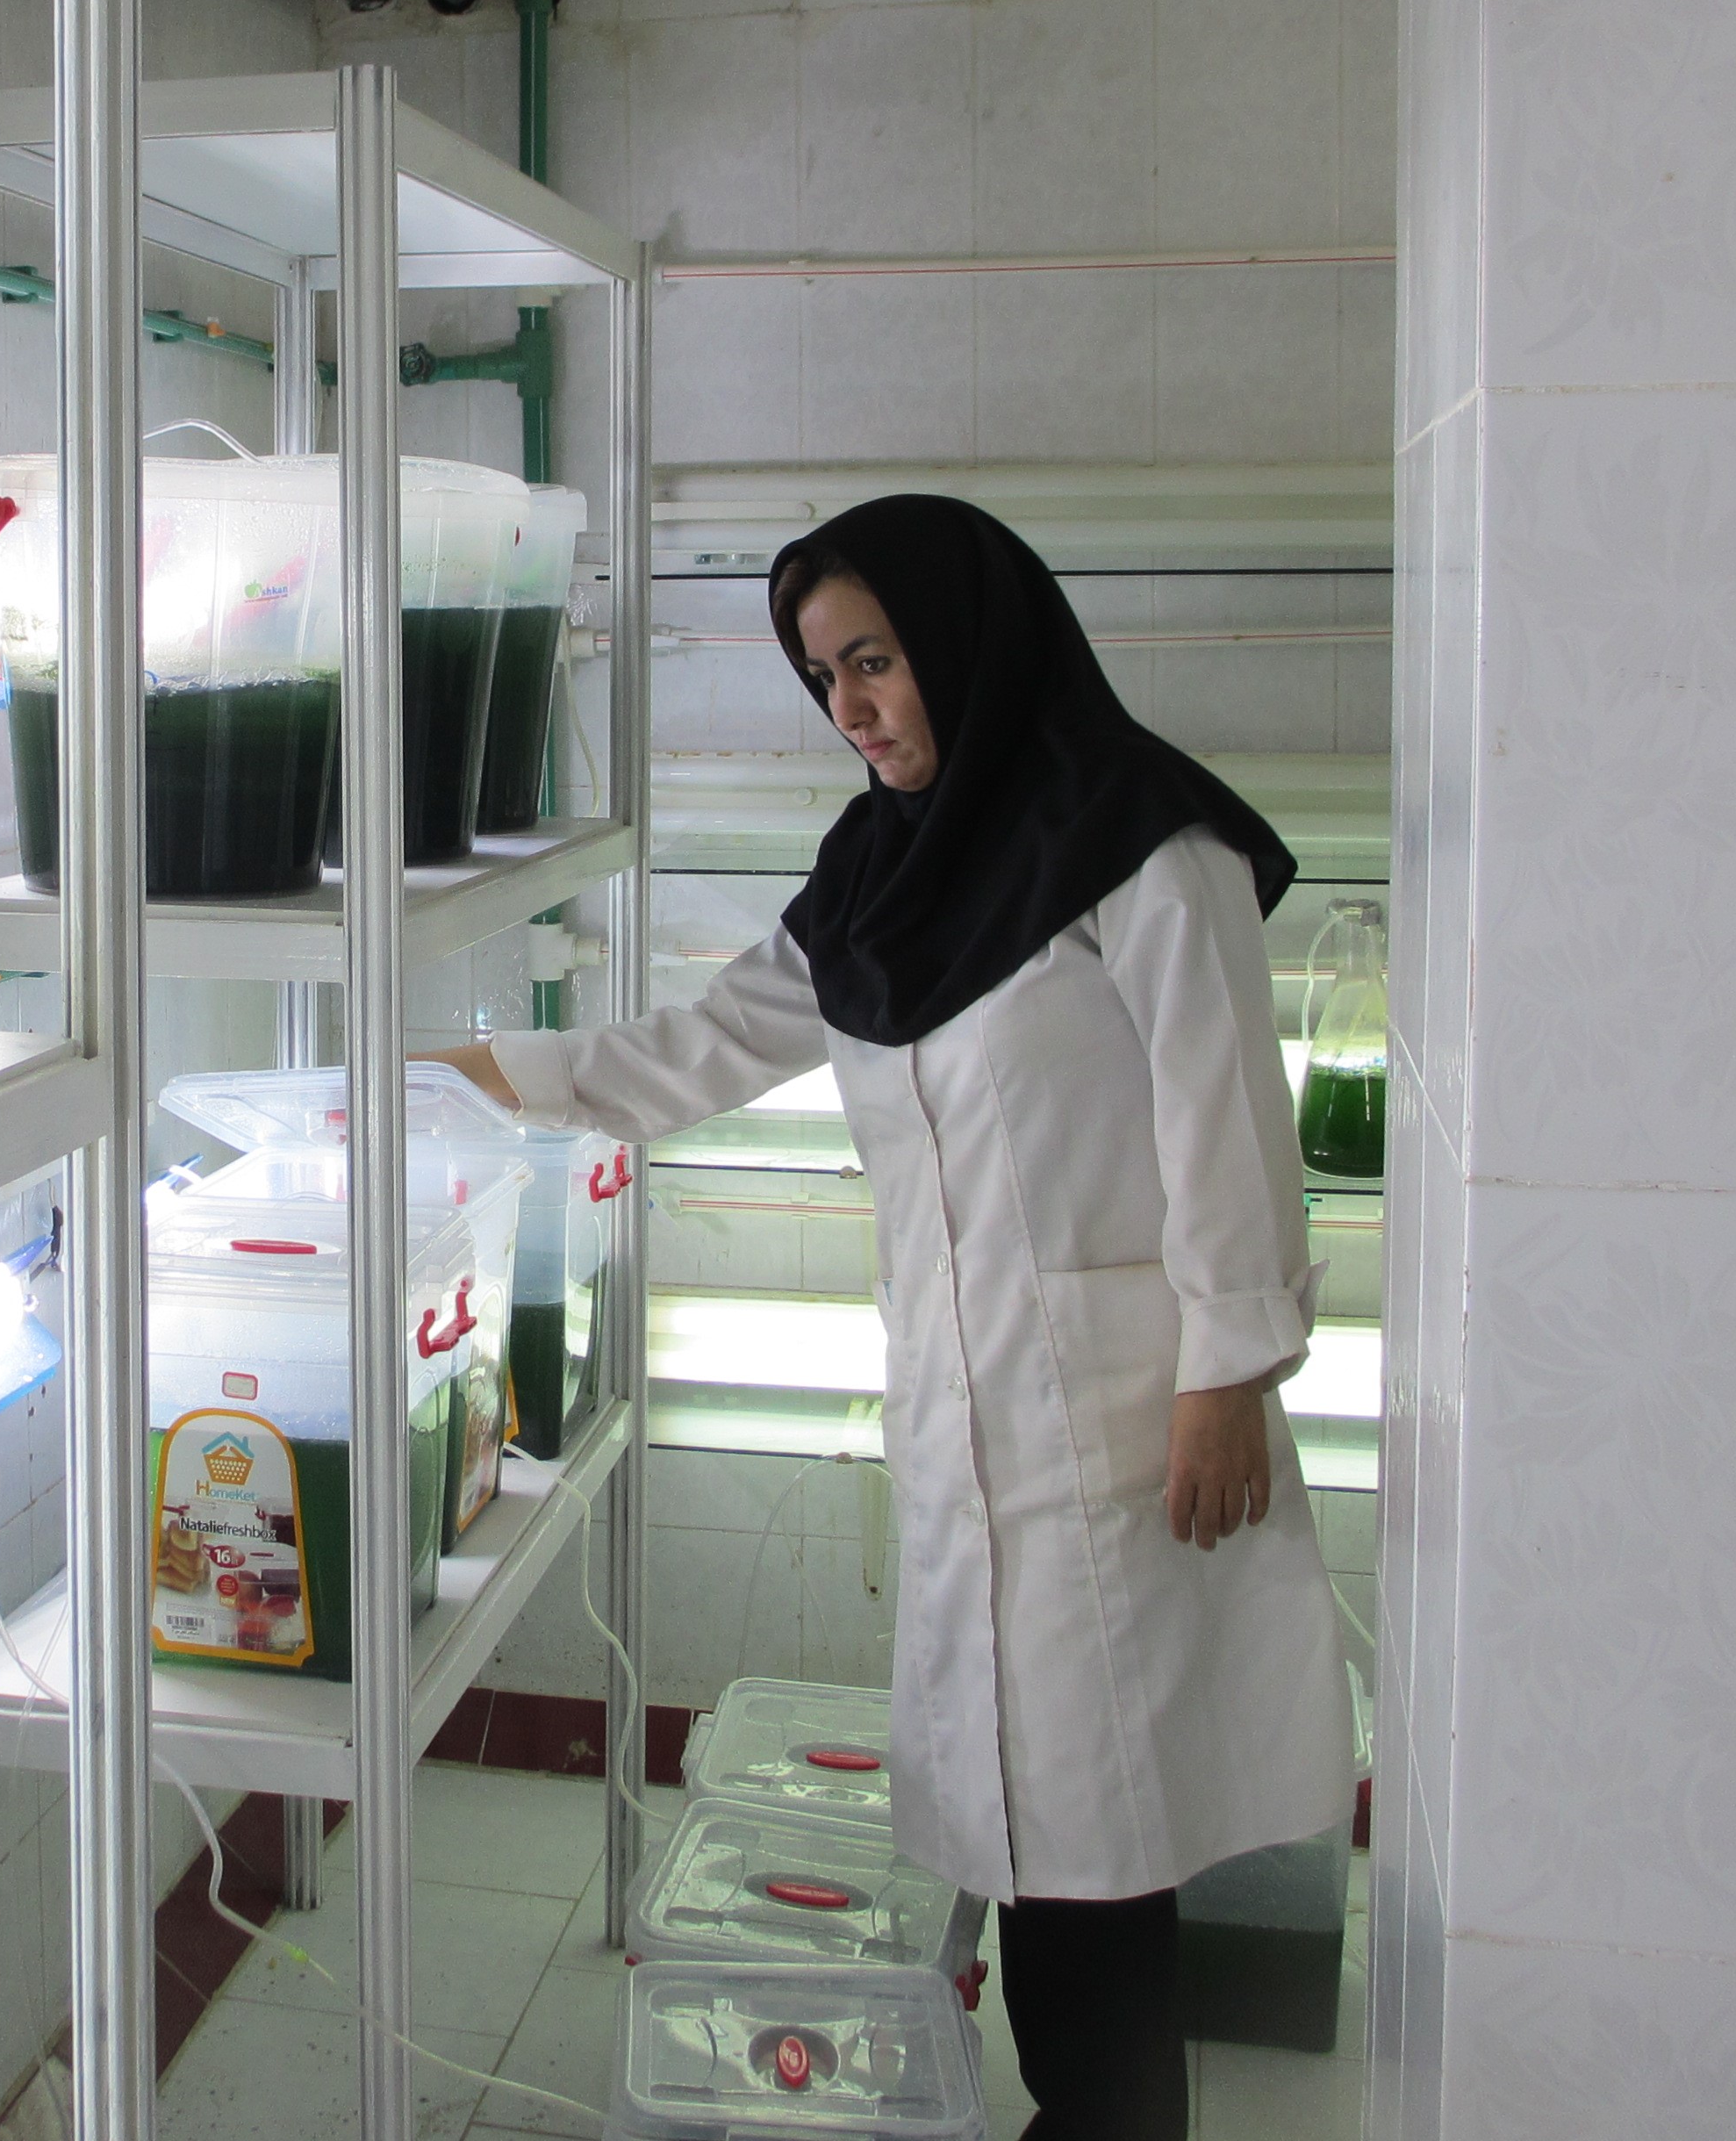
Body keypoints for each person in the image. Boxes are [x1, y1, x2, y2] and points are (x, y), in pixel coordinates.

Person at [431, 494, 1353, 2141]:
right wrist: (494, 1079)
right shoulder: (876, 877)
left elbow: (1229, 1116)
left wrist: (1231, 1372)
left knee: (1106, 1852)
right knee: (1034, 1833)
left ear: (966, 638)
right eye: (824, 677)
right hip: (960, 1413)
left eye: (876, 659)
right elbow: (706, 1045)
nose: (851, 706)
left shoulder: (1147, 847)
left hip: (1129, 1425)